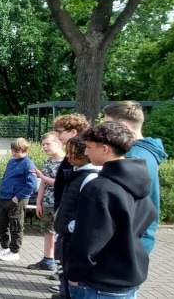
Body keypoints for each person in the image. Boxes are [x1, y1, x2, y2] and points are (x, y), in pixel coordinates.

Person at [66, 122, 156, 299]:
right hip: (128, 275)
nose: (85, 152)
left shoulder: (99, 189)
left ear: (105, 149)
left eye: (89, 147)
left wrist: (74, 274)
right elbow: (149, 216)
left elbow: (88, 240)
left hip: (100, 282)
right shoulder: (138, 181)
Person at [102, 101, 168, 254]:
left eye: (108, 124)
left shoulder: (131, 157)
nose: (105, 130)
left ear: (124, 125)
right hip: (137, 237)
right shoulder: (146, 152)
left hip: (128, 240)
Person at [53, 137, 102, 299]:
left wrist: (69, 226)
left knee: (71, 281)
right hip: (64, 238)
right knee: (63, 277)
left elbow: (86, 214)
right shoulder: (76, 173)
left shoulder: (90, 177)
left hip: (71, 239)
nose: (67, 156)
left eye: (72, 152)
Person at [47, 113, 90, 293]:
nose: (58, 137)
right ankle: (64, 285)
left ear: (73, 131)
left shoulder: (82, 159)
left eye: (60, 132)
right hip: (63, 211)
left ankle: (67, 288)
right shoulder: (71, 157)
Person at [0, 138, 37, 262]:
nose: (13, 152)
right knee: (0, 223)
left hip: (16, 199)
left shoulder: (28, 164)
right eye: (12, 150)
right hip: (4, 196)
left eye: (17, 151)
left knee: (16, 225)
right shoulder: (11, 161)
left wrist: (18, 197)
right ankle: (5, 246)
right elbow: (6, 177)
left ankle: (14, 251)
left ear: (25, 150)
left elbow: (32, 185)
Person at [27, 132, 66, 271]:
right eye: (43, 144)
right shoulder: (48, 161)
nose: (45, 147)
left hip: (59, 203)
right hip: (47, 202)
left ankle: (58, 263)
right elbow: (42, 183)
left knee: (59, 234)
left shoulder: (66, 162)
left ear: (59, 143)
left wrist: (41, 176)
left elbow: (59, 183)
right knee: (47, 231)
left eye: (48, 144)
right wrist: (39, 202)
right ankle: (47, 259)